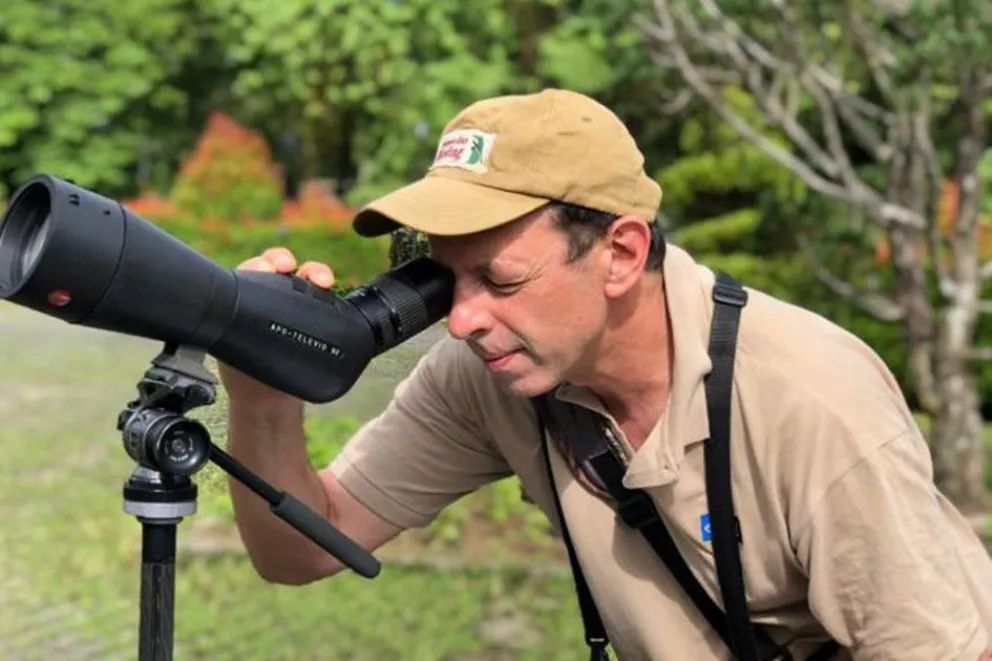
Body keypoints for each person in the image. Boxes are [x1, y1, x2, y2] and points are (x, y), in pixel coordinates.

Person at [220, 88, 992, 659]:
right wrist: (262, 394)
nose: (461, 319)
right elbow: (303, 549)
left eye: (500, 278)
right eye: (443, 279)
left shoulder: (809, 397)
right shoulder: (485, 369)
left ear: (621, 253)